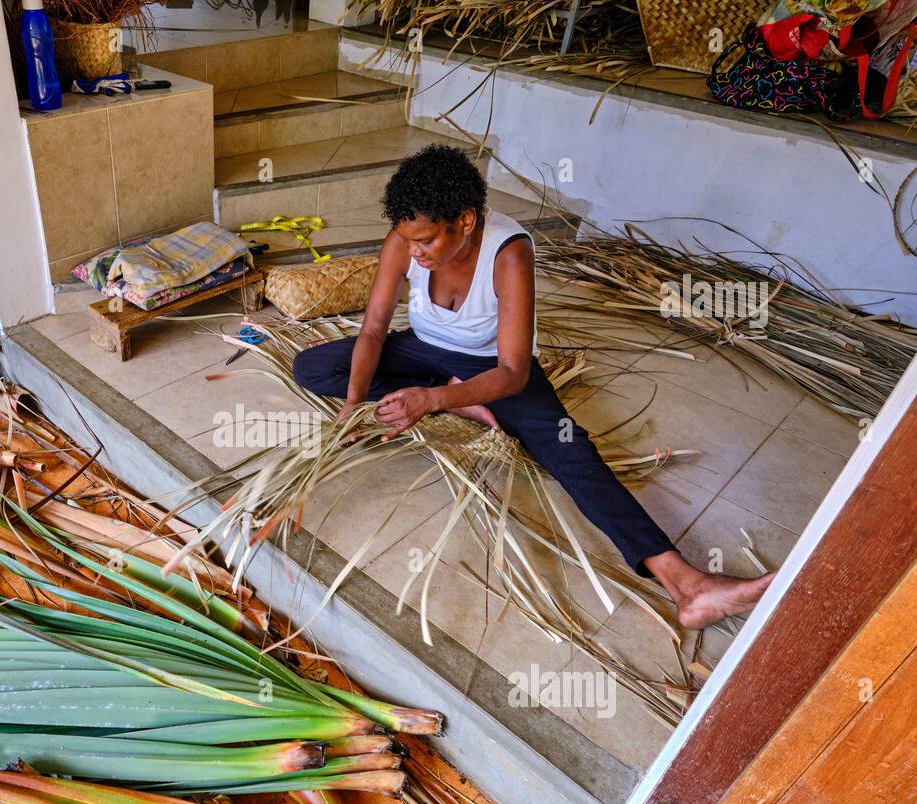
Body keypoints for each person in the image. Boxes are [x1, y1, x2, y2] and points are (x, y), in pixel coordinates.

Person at [291, 145, 773, 629]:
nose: (414, 252)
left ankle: (687, 584)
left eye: (426, 241)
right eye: (407, 240)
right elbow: (373, 330)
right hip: (423, 350)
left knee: (569, 448)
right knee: (314, 367)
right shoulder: (406, 239)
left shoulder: (509, 252)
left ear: (465, 221)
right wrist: (353, 406)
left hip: (492, 368)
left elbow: (514, 372)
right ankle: (461, 399)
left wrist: (434, 399)